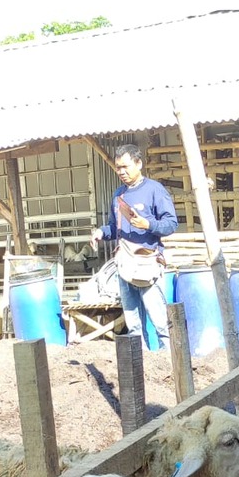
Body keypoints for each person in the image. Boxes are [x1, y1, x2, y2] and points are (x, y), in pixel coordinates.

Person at [90, 144, 178, 349]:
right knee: (134, 325)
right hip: (125, 265)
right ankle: (141, 362)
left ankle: (169, 361)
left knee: (160, 322)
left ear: (139, 164)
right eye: (118, 167)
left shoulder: (154, 189)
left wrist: (148, 224)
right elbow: (115, 228)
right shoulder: (118, 195)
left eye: (125, 166)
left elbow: (171, 224)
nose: (121, 171)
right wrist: (101, 232)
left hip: (147, 264)